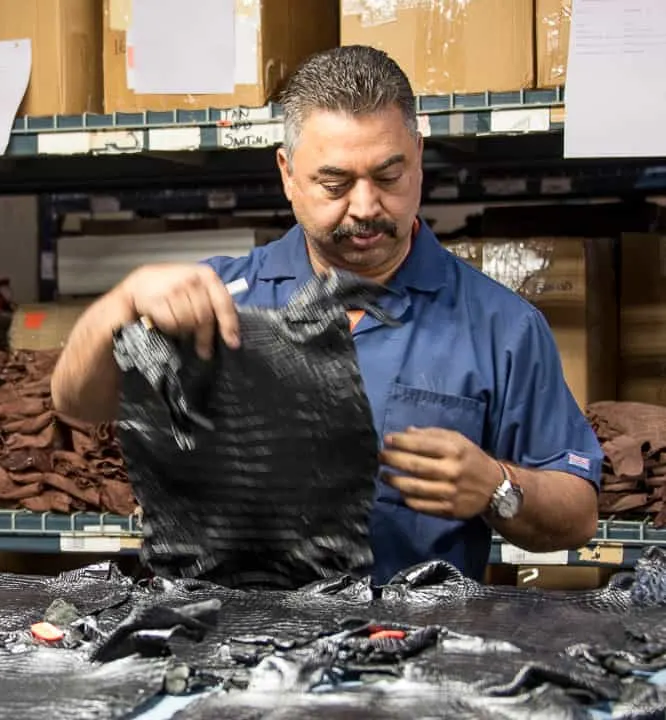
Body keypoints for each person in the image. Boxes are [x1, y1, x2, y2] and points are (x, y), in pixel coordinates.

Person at [51, 45, 601, 585]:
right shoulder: (215, 297)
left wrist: (498, 487)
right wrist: (117, 305)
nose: (364, 207)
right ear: (288, 174)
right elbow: (79, 400)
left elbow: (577, 514)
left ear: (418, 156)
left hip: (410, 655)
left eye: (389, 176)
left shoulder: (501, 326)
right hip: (229, 648)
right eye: (335, 184)